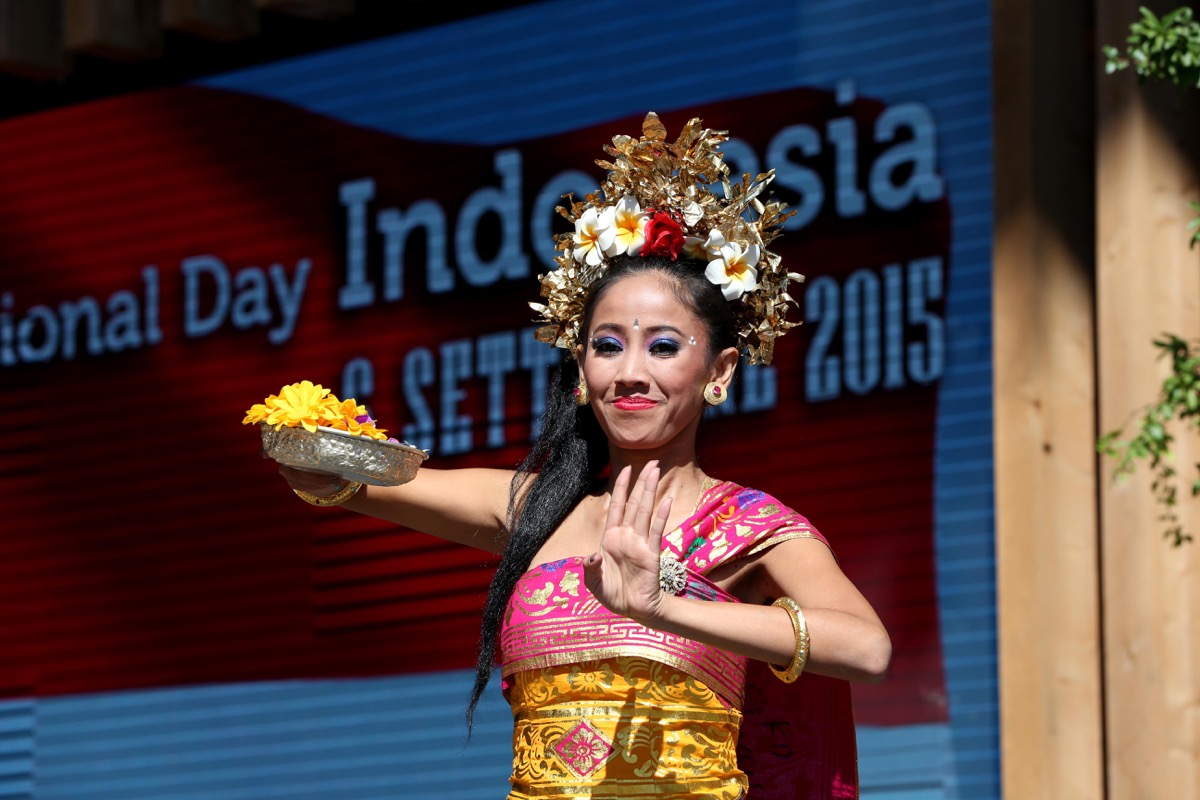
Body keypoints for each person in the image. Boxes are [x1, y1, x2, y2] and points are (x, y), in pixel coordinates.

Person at [276, 113, 891, 799]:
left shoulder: (748, 525)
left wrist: (669, 606)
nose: (630, 372)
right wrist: (311, 448)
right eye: (607, 346)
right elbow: (358, 483)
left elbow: (867, 647)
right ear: (579, 368)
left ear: (718, 372)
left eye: (663, 347)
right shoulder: (535, 506)